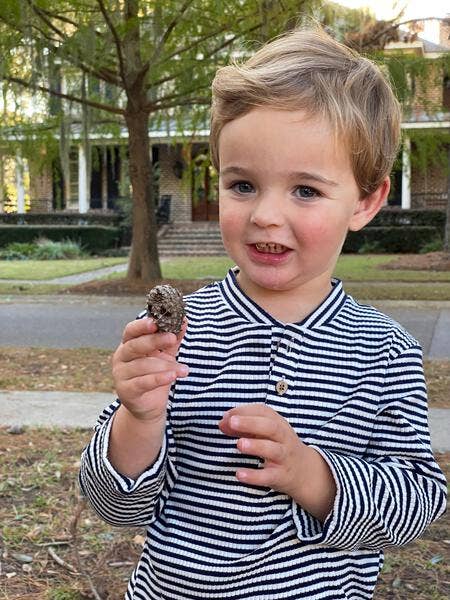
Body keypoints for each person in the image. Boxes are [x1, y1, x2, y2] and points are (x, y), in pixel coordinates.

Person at [79, 26, 447, 600]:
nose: (266, 215)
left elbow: (420, 502)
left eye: (305, 191)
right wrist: (139, 419)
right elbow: (115, 506)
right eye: (243, 184)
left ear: (367, 200)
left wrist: (314, 476)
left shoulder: (386, 351)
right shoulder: (181, 336)